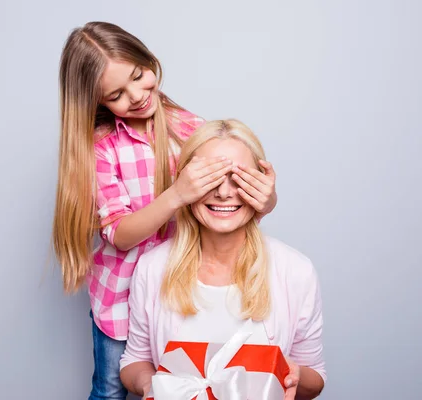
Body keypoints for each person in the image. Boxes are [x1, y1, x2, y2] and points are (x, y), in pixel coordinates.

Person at [52, 22, 278, 400]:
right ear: (95, 102)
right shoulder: (100, 148)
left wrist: (265, 199)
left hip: (180, 289)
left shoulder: (190, 128)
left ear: (148, 60)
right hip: (121, 299)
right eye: (117, 94)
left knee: (187, 383)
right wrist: (176, 194)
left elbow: (230, 203)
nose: (137, 95)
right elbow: (119, 233)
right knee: (110, 388)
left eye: (139, 76)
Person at [119, 120, 326, 400]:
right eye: (209, 177)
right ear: (184, 182)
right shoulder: (153, 268)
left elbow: (315, 378)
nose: (224, 192)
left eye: (237, 178)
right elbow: (135, 360)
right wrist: (149, 385)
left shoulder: (295, 271)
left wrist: (295, 374)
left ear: (261, 185)